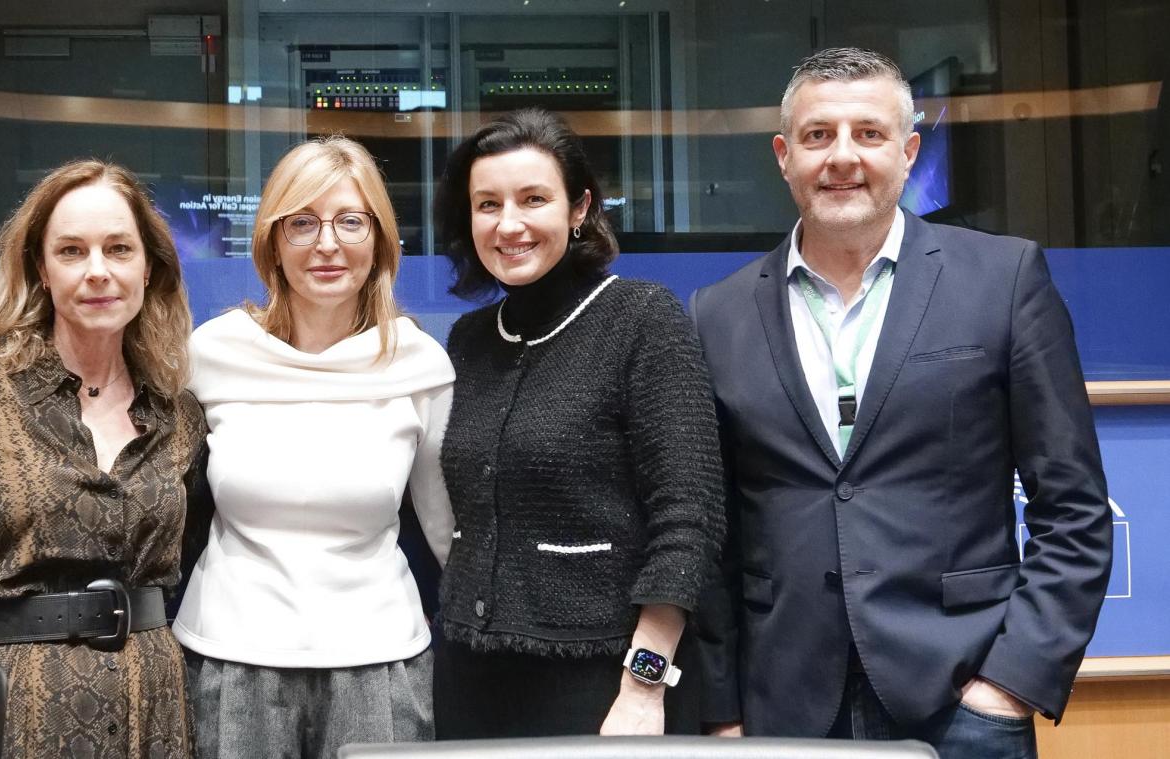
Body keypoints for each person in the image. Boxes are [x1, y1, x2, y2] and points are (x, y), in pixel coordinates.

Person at [691, 48, 1113, 759]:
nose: (842, 157)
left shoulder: (1003, 279)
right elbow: (711, 531)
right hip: (781, 706)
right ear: (783, 156)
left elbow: (1073, 508)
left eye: (870, 133)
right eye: (818, 135)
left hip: (961, 702)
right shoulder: (717, 313)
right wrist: (720, 709)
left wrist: (1008, 684)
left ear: (909, 151)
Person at [0, 159, 207, 757]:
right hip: (14, 707)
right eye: (73, 251)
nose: (98, 272)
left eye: (119, 249)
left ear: (150, 266)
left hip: (153, 704)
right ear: (40, 267)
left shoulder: (179, 412)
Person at [432, 107, 724, 738]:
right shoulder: (468, 339)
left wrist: (645, 682)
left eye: (533, 199)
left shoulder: (643, 319)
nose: (508, 224)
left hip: (604, 679)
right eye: (487, 205)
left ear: (578, 208)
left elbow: (688, 517)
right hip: (471, 675)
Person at [172, 136, 455, 759]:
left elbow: (447, 535)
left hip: (378, 662)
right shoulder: (213, 354)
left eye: (350, 222)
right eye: (302, 223)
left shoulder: (421, 364)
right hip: (230, 657)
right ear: (273, 241)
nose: (327, 244)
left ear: (380, 239)